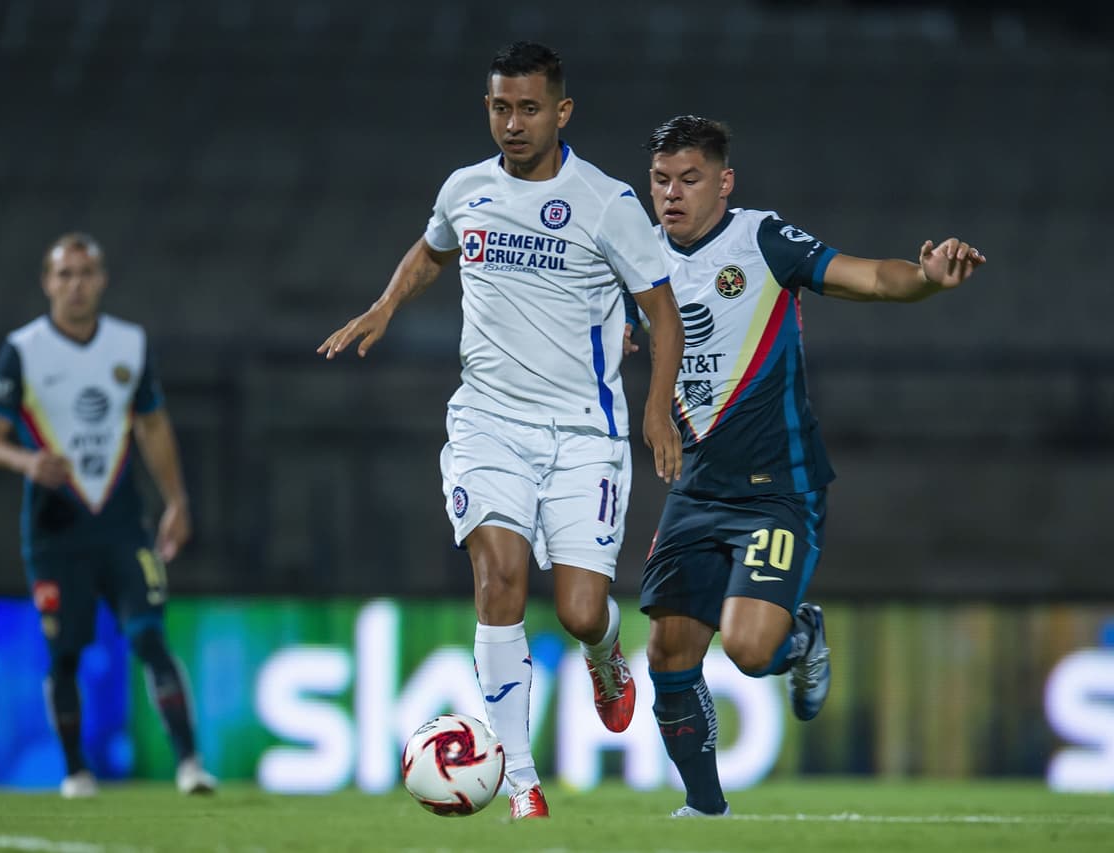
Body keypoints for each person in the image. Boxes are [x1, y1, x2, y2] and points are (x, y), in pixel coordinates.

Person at [318, 42, 685, 819]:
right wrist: (385, 306)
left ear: (562, 112)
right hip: (488, 423)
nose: (511, 123)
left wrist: (655, 410)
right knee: (499, 581)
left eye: (527, 108)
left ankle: (605, 656)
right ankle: (524, 783)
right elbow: (433, 248)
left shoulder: (608, 202)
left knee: (582, 608)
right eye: (498, 107)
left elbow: (661, 310)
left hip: (586, 431)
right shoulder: (466, 188)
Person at [633, 115, 986, 817]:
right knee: (669, 652)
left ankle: (802, 634)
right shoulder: (638, 257)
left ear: (724, 183)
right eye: (661, 180)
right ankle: (706, 812)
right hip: (696, 489)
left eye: (690, 178)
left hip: (777, 490)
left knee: (751, 649)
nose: (672, 193)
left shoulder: (761, 240)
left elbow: (871, 278)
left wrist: (926, 277)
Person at [0, 233, 218, 799]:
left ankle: (190, 766)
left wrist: (177, 500)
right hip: (55, 531)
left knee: (150, 636)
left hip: (123, 522)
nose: (75, 285)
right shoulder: (24, 349)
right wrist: (27, 461)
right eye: (64, 275)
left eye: (85, 273)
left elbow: (152, 425)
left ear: (102, 280)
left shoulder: (129, 345)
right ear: (47, 282)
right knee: (65, 653)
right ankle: (77, 771)